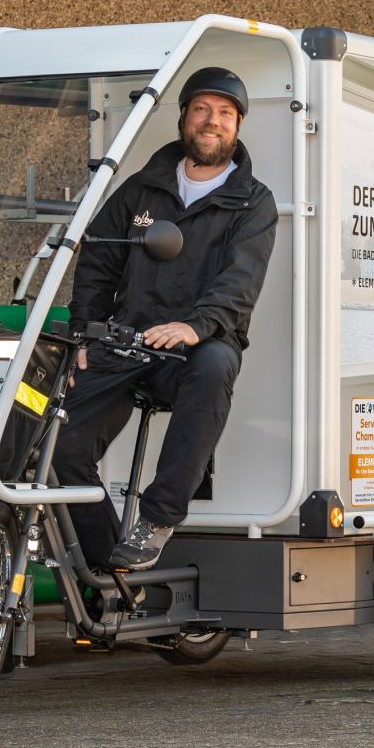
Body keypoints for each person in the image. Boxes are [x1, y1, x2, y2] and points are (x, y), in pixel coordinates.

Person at [53, 67, 278, 571]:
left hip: (195, 348)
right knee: (60, 442)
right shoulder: (140, 189)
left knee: (216, 364)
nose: (212, 121)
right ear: (183, 117)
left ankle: (157, 517)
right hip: (128, 338)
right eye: (202, 109)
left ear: (238, 125)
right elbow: (97, 261)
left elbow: (240, 281)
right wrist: (83, 333)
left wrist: (195, 327)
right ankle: (107, 564)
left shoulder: (253, 201)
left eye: (225, 113)